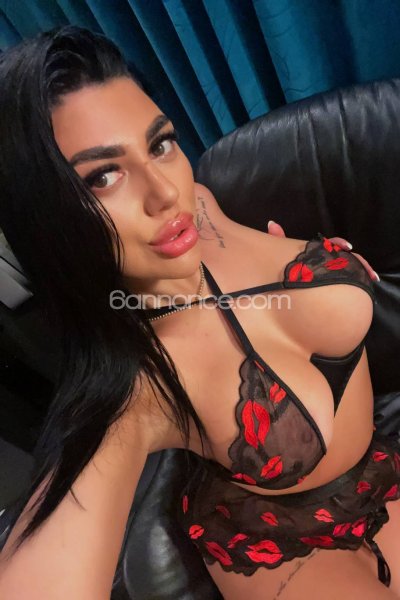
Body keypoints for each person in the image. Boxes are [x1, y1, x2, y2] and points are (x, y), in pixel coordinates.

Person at [0, 25, 398, 600]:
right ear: (47, 220)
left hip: (378, 474)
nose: (165, 193)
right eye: (104, 177)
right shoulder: (134, 386)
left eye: (160, 144)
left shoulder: (200, 210)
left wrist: (297, 267)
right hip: (281, 548)